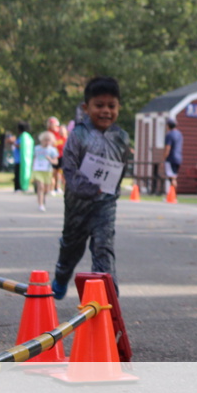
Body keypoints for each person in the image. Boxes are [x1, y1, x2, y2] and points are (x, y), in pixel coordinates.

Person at [51, 77, 129, 300]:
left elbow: (121, 168)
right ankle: (61, 276)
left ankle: (107, 299)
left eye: (111, 106)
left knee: (104, 248)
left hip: (105, 205)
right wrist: (89, 189)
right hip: (78, 204)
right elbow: (69, 170)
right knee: (71, 247)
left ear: (118, 107)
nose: (106, 111)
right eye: (99, 105)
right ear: (86, 108)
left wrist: (110, 190)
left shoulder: (122, 138)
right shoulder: (78, 135)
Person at [32, 131, 58, 212]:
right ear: (41, 140)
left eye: (49, 140)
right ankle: (40, 204)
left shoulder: (52, 150)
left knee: (46, 189)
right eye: (45, 140)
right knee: (40, 186)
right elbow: (33, 158)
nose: (47, 142)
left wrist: (50, 160)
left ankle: (43, 199)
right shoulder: (36, 148)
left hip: (47, 171)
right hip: (38, 170)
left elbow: (56, 162)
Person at [162, 118, 183, 195]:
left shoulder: (169, 134)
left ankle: (173, 195)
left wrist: (164, 158)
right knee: (174, 176)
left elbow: (168, 148)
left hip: (171, 158)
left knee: (172, 178)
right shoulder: (179, 134)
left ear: (168, 126)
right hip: (178, 158)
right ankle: (172, 195)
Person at [47, 117, 67, 195]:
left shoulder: (61, 132)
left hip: (61, 156)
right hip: (53, 156)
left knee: (60, 173)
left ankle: (58, 188)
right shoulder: (49, 132)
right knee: (53, 173)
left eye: (52, 123)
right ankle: (53, 188)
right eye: (50, 123)